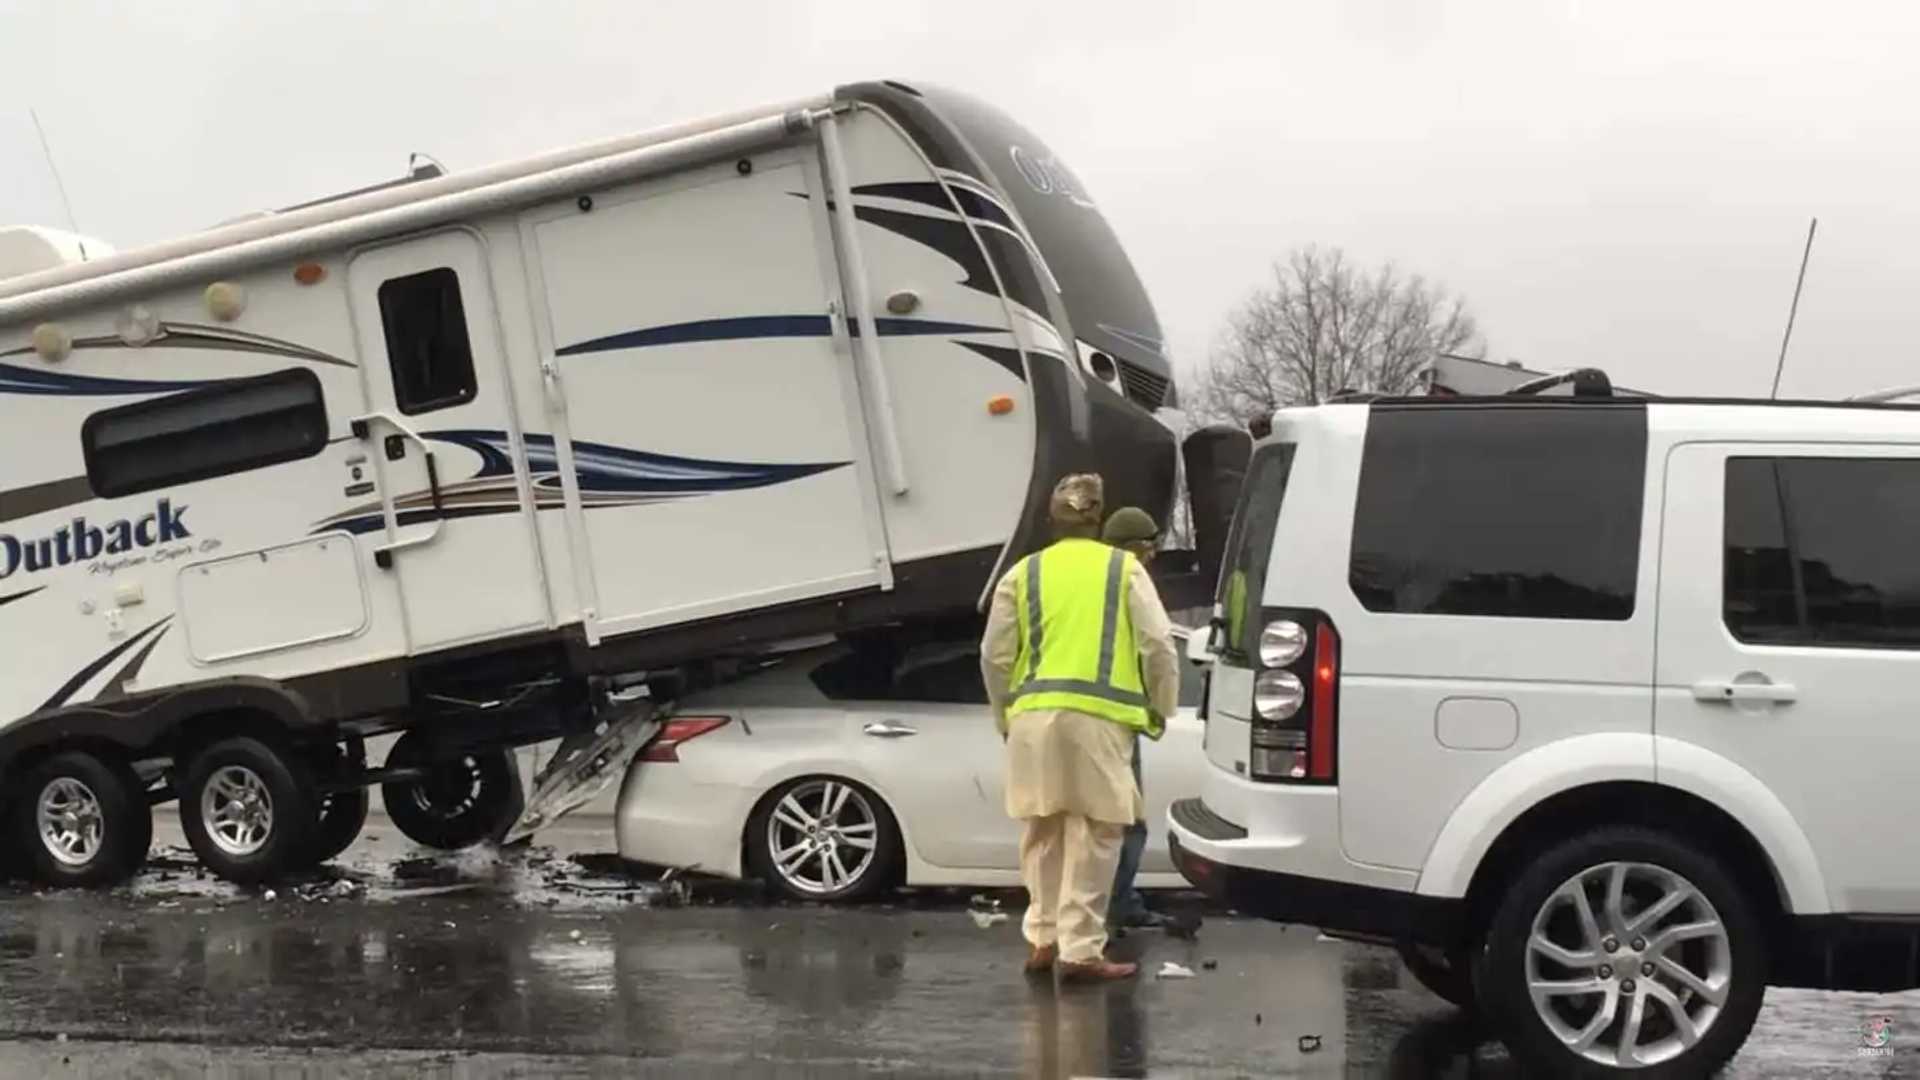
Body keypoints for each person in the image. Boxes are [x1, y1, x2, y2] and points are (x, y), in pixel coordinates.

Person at [982, 475, 1180, 982]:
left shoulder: (1023, 574)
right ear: (1098, 519)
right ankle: (1080, 950)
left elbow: (994, 655)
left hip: (1032, 717)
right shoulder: (1124, 569)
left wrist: (1005, 713)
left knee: (1042, 827)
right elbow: (1158, 644)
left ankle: (1042, 939)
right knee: (1098, 831)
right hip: (1099, 720)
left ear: (1051, 520)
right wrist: (1161, 708)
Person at [1097, 506, 1171, 932]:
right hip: (1117, 718)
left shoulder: (1084, 580)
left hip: (1066, 714)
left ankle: (1071, 918)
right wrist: (1162, 708)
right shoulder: (1129, 580)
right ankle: (1118, 906)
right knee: (1128, 821)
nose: (1152, 558)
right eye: (1150, 547)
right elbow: (1158, 647)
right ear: (1133, 547)